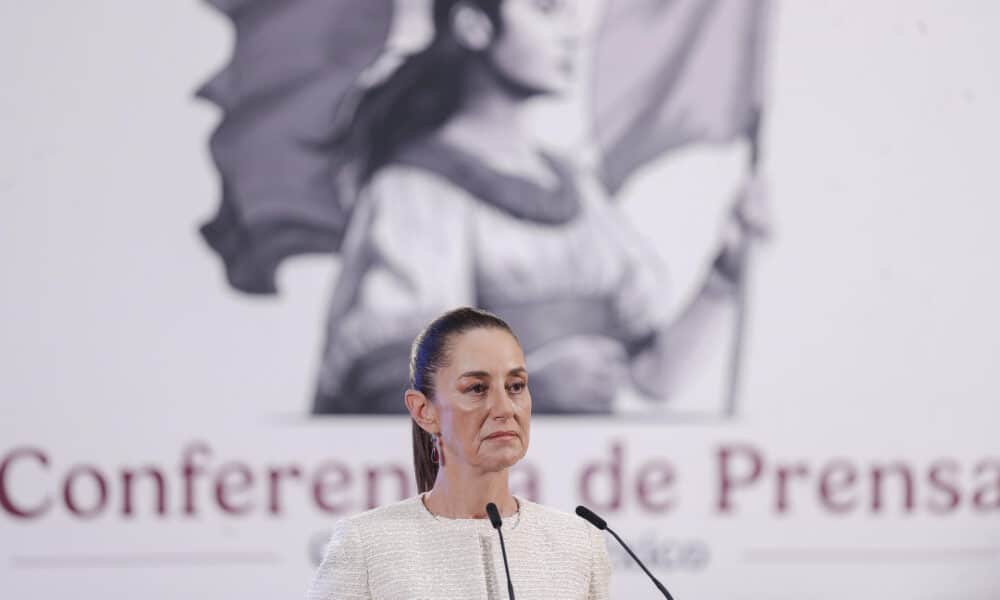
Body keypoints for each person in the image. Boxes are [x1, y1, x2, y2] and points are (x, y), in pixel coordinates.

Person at [312, 0, 768, 415]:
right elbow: (385, 385)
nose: (571, 34)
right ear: (474, 25)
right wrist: (526, 390)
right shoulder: (414, 191)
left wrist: (724, 273)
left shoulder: (578, 192)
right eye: (546, 10)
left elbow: (653, 378)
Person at [306, 307, 612, 599]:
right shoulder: (365, 546)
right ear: (424, 411)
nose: (505, 408)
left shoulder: (579, 543)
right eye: (477, 388)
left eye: (516, 386)